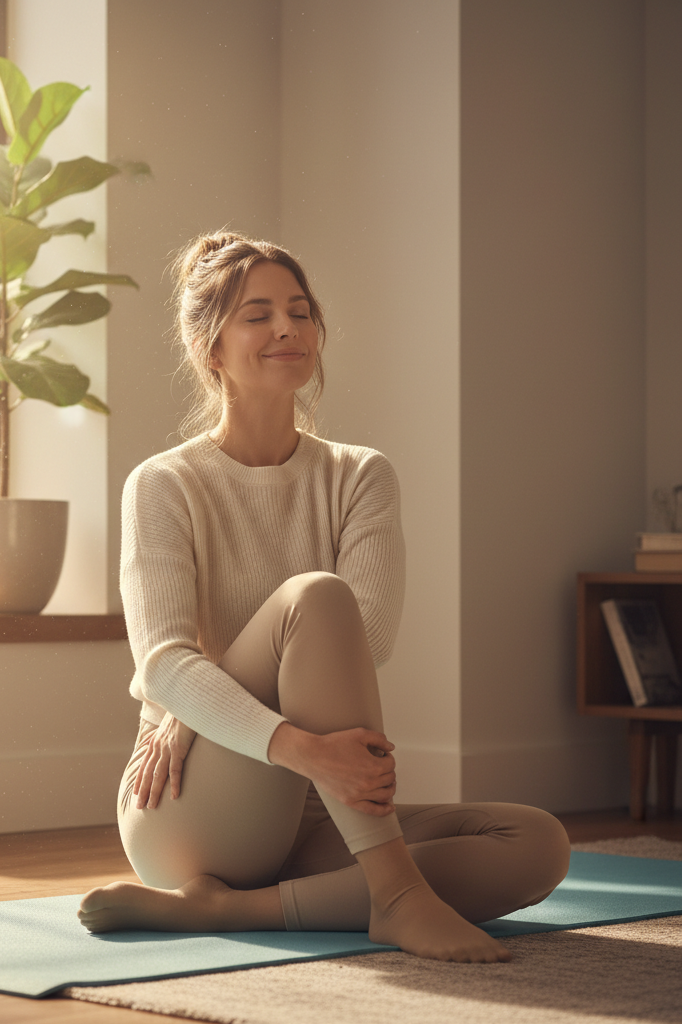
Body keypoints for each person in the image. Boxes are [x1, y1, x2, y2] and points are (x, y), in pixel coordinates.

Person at [78, 232, 570, 962]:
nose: (287, 328)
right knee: (313, 594)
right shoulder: (164, 483)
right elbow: (165, 666)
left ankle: (229, 912)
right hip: (191, 807)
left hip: (319, 811)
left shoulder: (360, 475)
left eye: (300, 311)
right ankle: (396, 898)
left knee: (537, 844)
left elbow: (362, 639)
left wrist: (224, 694)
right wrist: (228, 719)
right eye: (258, 314)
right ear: (210, 349)